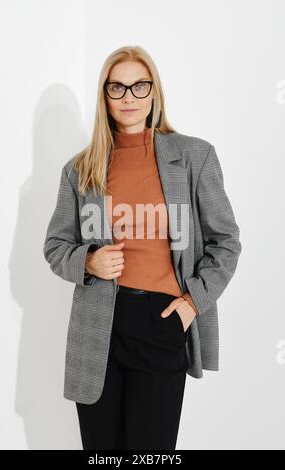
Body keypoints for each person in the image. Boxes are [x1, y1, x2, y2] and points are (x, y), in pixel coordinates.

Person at [43, 45, 242, 450]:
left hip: (162, 320)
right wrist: (89, 261)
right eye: (117, 88)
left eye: (139, 86)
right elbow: (54, 245)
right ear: (104, 95)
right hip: (97, 325)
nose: (129, 97)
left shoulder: (193, 157)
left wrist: (191, 304)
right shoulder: (81, 168)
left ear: (154, 92)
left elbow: (227, 243)